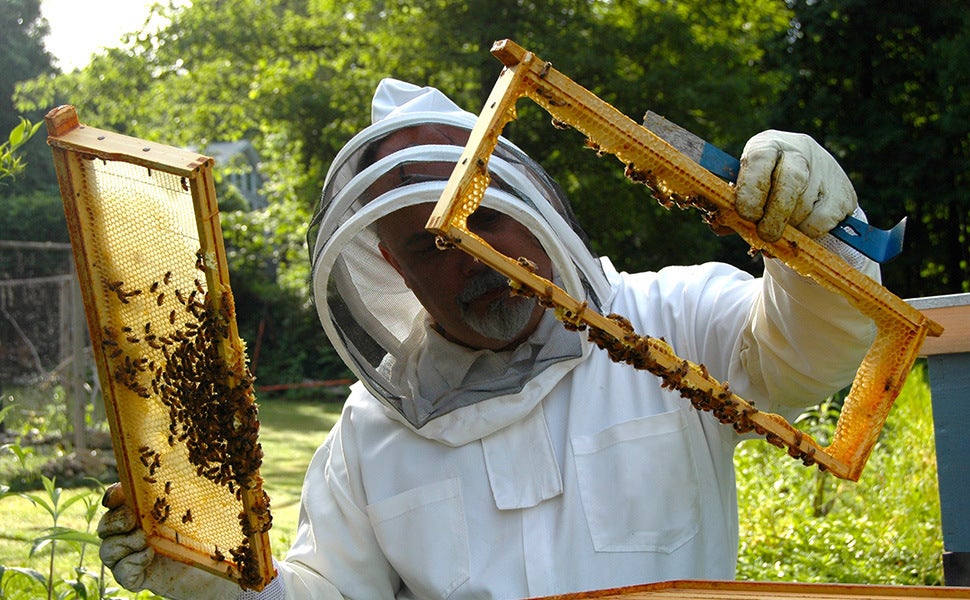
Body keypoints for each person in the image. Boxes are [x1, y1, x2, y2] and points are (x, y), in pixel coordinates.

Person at [98, 78, 879, 599]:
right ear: (392, 267)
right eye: (431, 245)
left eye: (484, 218)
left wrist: (820, 239)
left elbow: (809, 352)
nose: (474, 258)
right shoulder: (369, 438)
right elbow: (328, 592)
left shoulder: (672, 320)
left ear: (526, 200)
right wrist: (213, 576)